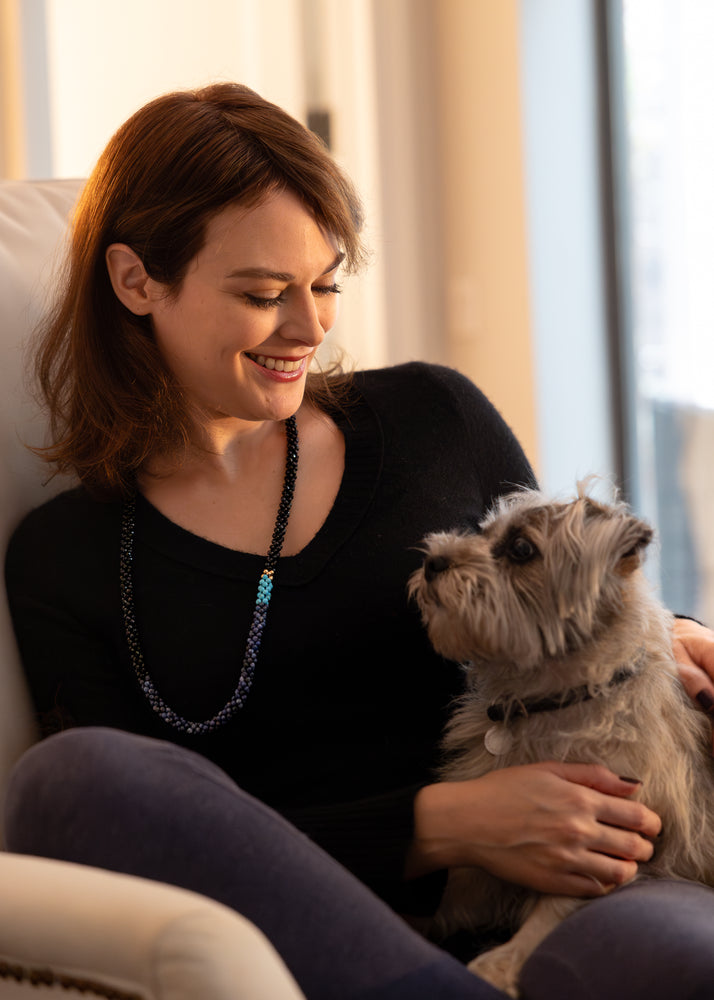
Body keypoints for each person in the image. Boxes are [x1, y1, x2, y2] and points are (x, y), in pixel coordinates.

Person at [4, 82, 714, 1000]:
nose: (309, 329)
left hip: (582, 888)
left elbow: (569, 595)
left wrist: (679, 640)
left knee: (676, 958)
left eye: (327, 284)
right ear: (137, 281)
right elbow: (153, 836)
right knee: (72, 781)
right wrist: (440, 825)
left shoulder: (431, 417)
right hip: (320, 926)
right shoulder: (71, 559)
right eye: (264, 294)